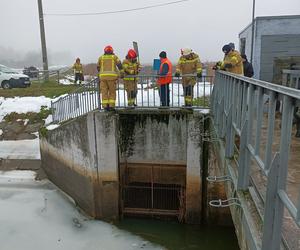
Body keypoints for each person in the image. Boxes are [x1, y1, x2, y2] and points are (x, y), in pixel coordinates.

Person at [97, 45, 123, 111]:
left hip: (103, 78)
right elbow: (120, 65)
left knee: (104, 92)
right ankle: (111, 106)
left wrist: (101, 73)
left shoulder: (101, 57)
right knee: (112, 92)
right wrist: (122, 73)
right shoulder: (114, 57)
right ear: (112, 51)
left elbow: (98, 67)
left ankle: (105, 106)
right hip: (112, 78)